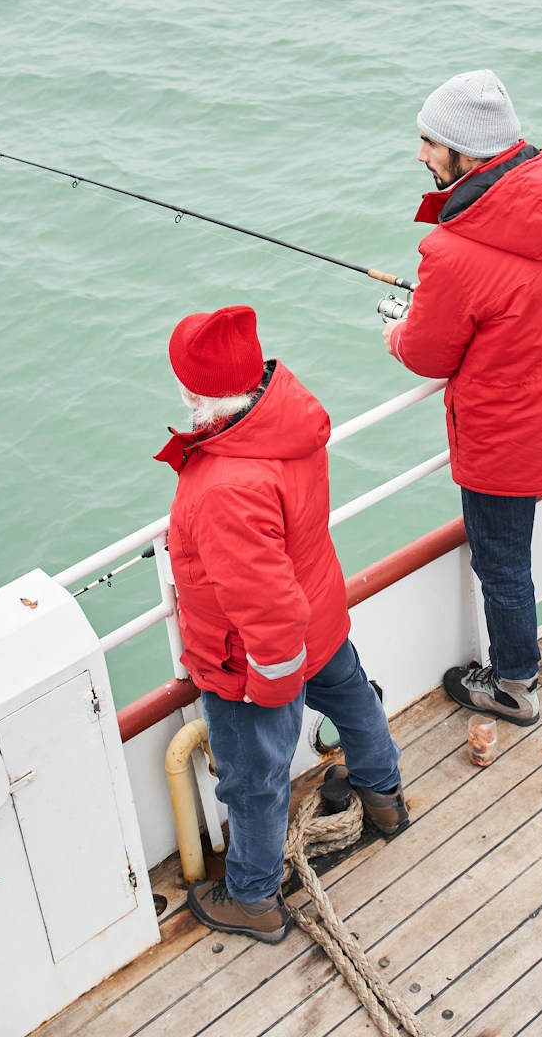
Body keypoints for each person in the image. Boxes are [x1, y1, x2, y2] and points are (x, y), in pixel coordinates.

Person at [382, 69, 542, 727]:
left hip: (502, 442)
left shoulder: (449, 249)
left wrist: (397, 331)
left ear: (466, 152)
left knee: (503, 564)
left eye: (430, 142)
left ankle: (516, 686)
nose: (420, 155)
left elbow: (429, 354)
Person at [156, 305, 408, 945]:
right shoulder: (285, 421)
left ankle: (254, 898)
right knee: (353, 701)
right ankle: (384, 800)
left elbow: (263, 605)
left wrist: (271, 689)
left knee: (254, 779)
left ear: (194, 392)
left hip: (255, 660)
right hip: (319, 613)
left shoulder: (222, 485)